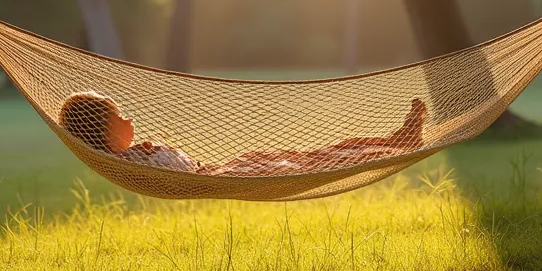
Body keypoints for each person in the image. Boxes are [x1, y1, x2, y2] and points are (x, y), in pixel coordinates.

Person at [57, 91, 427, 176]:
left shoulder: (133, 155)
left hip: (225, 167)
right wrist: (149, 152)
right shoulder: (133, 163)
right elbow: (178, 172)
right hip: (226, 175)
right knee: (322, 161)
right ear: (102, 132)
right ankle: (395, 146)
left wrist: (147, 149)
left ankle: (396, 141)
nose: (128, 120)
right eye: (119, 116)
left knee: (318, 151)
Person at [56, 91, 199, 172]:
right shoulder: (127, 163)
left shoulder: (126, 158)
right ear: (106, 132)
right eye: (120, 118)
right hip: (194, 174)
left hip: (196, 171)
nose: (129, 120)